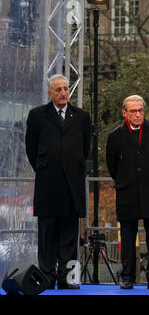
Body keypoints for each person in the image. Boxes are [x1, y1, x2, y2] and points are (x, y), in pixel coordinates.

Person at [25, 74, 92, 290]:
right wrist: (45, 168)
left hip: (72, 185)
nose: (63, 93)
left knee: (69, 235)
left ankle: (67, 278)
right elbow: (31, 148)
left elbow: (85, 147)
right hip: (48, 185)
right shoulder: (37, 115)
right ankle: (47, 277)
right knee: (47, 235)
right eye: (59, 90)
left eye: (66, 89)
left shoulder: (81, 116)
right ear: (50, 93)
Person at [106, 94, 149, 290]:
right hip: (128, 192)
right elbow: (112, 166)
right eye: (133, 111)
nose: (137, 114)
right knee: (127, 237)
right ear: (124, 113)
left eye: (140, 110)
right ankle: (127, 277)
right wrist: (125, 180)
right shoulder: (114, 136)